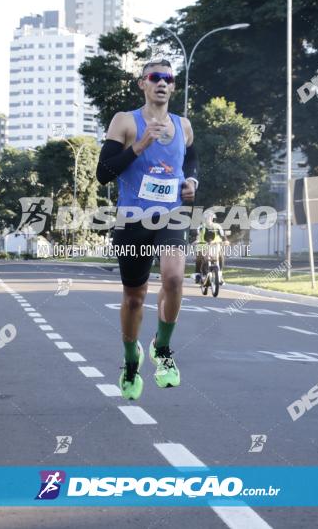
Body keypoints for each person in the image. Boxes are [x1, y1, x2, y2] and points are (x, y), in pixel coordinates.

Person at [96, 59, 198, 400]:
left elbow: (191, 160)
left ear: (173, 86)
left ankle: (162, 348)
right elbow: (104, 172)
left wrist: (192, 181)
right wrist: (138, 147)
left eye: (167, 79)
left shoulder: (183, 126)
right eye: (154, 77)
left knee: (173, 278)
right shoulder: (125, 121)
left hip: (170, 216)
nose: (161, 83)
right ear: (143, 83)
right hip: (132, 220)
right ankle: (130, 360)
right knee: (134, 298)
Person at [194, 211, 227, 285]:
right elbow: (198, 236)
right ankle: (198, 275)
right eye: (207, 217)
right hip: (203, 246)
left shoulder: (217, 226)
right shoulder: (201, 227)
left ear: (212, 218)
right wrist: (197, 240)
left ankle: (220, 275)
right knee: (199, 258)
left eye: (210, 217)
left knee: (220, 256)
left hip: (215, 245)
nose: (209, 218)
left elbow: (222, 235)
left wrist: (226, 241)